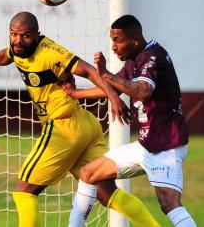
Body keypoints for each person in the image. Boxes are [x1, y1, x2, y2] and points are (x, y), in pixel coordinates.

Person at [0, 11, 159, 227]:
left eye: (25, 35)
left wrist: (113, 97)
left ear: (37, 35)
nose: (18, 40)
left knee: (24, 191)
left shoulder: (52, 53)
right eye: (14, 34)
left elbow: (91, 72)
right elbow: (6, 55)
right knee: (106, 193)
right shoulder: (18, 49)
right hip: (83, 125)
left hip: (63, 127)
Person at [64, 15, 196, 226]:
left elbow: (143, 91)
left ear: (135, 39)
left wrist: (107, 74)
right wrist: (75, 94)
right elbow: (114, 87)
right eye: (112, 41)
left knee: (169, 203)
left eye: (118, 40)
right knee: (89, 174)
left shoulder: (153, 56)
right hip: (146, 145)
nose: (114, 47)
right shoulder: (134, 60)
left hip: (166, 145)